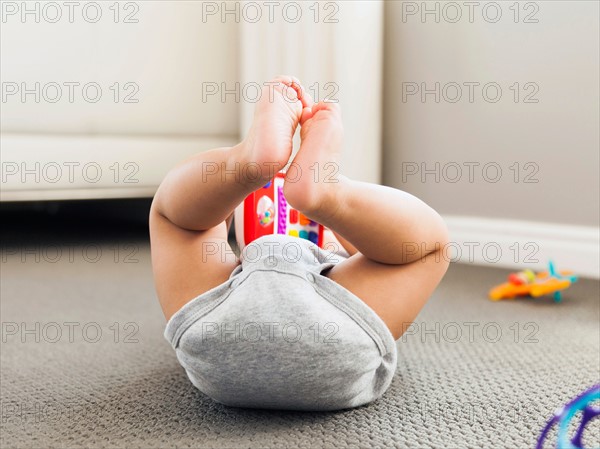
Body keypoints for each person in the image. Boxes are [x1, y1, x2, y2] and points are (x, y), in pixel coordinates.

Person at [150, 76, 450, 411]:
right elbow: (379, 253)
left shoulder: (232, 276)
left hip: (218, 343)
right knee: (428, 248)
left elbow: (197, 225)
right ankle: (330, 197)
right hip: (338, 332)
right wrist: (337, 221)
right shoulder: (345, 270)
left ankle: (245, 165)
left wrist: (228, 209)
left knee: (178, 220)